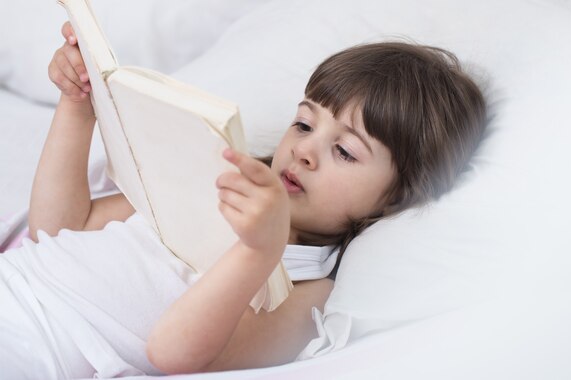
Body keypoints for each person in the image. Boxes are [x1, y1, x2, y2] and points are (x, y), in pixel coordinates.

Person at [3, 21, 485, 377]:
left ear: (394, 201)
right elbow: (56, 234)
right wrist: (77, 109)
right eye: (303, 123)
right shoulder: (213, 176)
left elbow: (173, 353)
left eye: (344, 150)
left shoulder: (310, 287)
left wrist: (259, 250)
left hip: (42, 346)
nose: (304, 151)